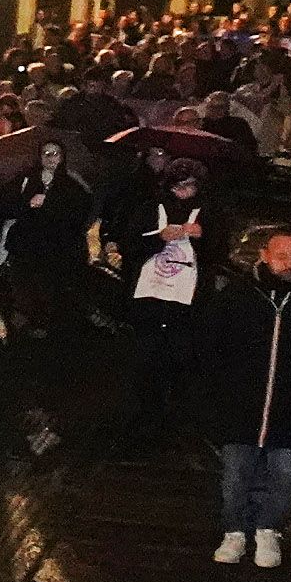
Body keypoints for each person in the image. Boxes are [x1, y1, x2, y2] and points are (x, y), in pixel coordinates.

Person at [202, 230, 291, 569]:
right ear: (264, 254)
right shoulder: (237, 295)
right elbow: (212, 346)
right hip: (242, 404)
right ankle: (234, 530)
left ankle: (269, 529)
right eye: (282, 257)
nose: (290, 265)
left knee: (287, 473)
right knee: (236, 473)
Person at [116, 160, 212, 449]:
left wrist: (202, 237)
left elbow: (217, 253)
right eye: (178, 186)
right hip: (150, 299)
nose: (183, 193)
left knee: (181, 356)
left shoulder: (209, 213)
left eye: (190, 186)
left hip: (186, 302)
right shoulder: (149, 209)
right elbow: (129, 245)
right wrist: (158, 238)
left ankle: (176, 416)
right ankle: (146, 415)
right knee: (146, 358)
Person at [0, 141, 96, 339]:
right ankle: (25, 320)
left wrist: (49, 203)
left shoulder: (72, 182)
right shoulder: (26, 179)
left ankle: (46, 324)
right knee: (24, 283)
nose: (50, 157)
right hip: (26, 243)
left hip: (56, 246)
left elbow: (79, 211)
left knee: (50, 286)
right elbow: (6, 203)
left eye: (55, 153)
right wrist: (27, 203)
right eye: (46, 153)